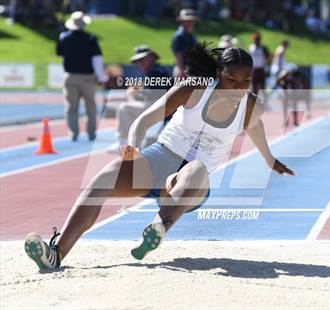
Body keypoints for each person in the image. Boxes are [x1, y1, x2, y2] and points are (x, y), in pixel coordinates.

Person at [24, 43, 295, 270]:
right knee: (103, 178)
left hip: (189, 187)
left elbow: (257, 131)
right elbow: (144, 120)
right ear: (217, 73)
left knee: (196, 168)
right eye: (230, 79)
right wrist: (132, 147)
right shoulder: (192, 89)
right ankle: (56, 254)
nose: (237, 87)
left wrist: (270, 161)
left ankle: (157, 228)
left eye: (245, 81)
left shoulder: (249, 106)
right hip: (158, 159)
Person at [107, 45, 172, 153]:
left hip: (161, 109)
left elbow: (156, 94)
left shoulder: (156, 72)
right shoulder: (156, 70)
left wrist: (136, 93)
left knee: (124, 108)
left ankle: (122, 143)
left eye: (142, 59)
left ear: (151, 58)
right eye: (138, 61)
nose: (139, 63)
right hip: (164, 109)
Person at [57, 11, 105, 142]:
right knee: (90, 106)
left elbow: (59, 53)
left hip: (70, 76)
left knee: (71, 106)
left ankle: (73, 133)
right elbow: (97, 60)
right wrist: (101, 77)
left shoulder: (63, 37)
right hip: (87, 77)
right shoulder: (91, 39)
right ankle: (91, 133)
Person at [171, 9, 198, 77]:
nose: (189, 23)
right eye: (187, 21)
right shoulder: (179, 36)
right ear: (181, 22)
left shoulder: (192, 36)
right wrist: (181, 70)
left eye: (191, 21)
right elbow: (178, 54)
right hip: (182, 71)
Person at [248, 32, 270, 101]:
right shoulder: (251, 47)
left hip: (261, 69)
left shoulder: (263, 48)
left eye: (257, 40)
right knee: (254, 87)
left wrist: (268, 67)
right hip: (254, 69)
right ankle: (254, 102)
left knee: (263, 87)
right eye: (255, 40)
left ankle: (265, 102)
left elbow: (269, 57)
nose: (256, 41)